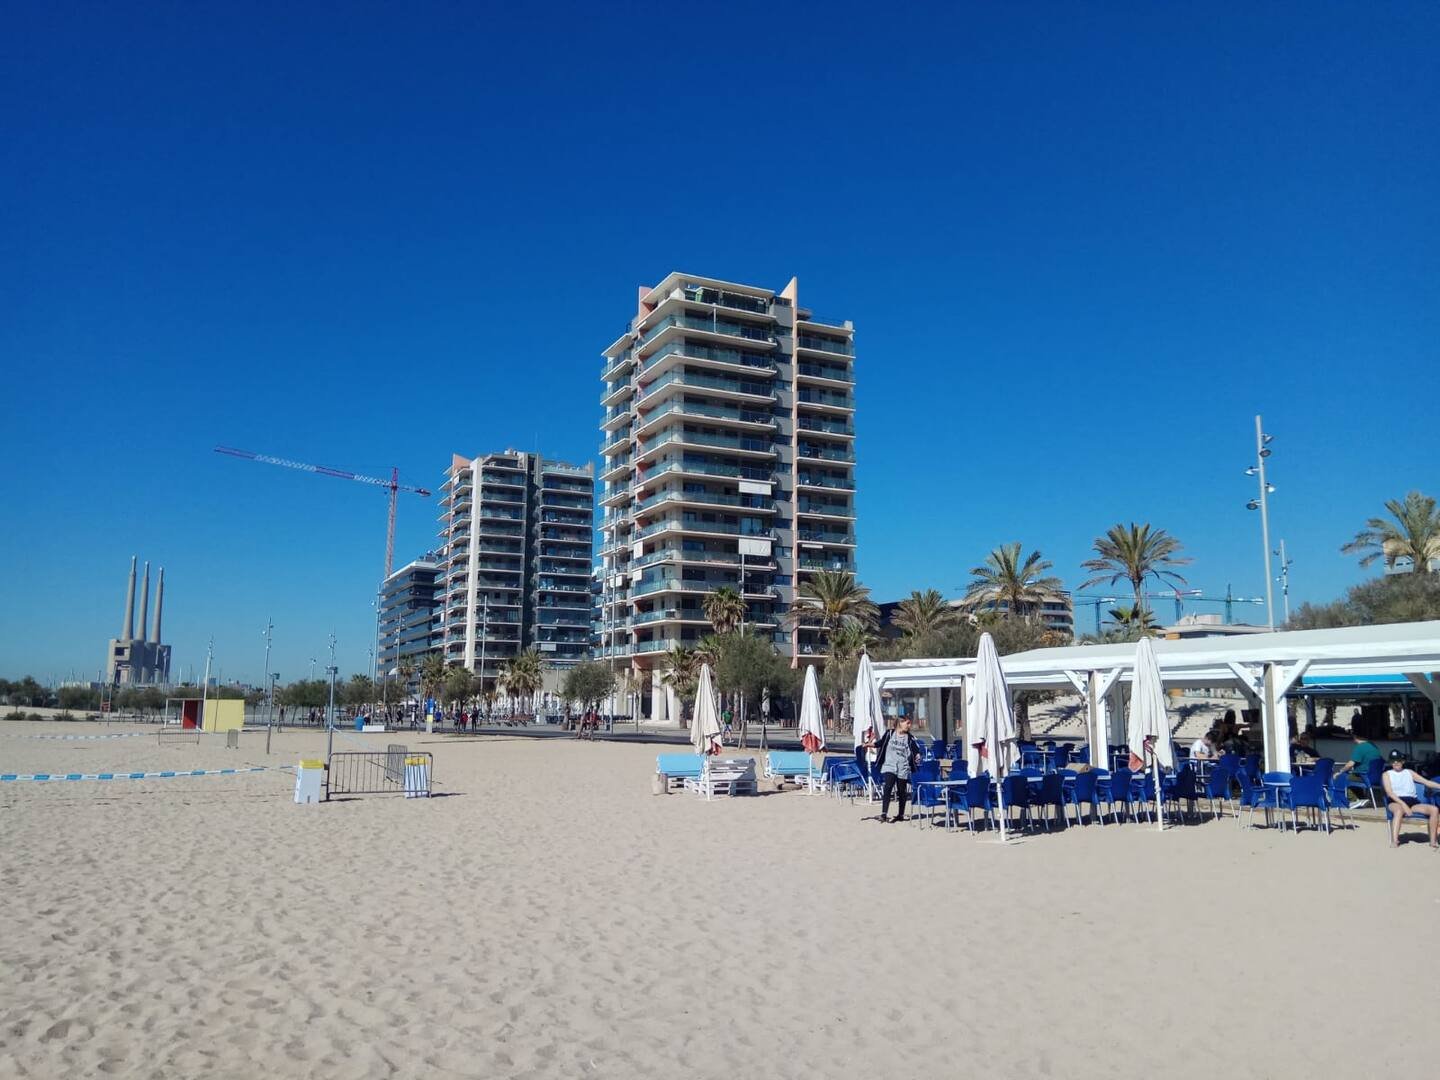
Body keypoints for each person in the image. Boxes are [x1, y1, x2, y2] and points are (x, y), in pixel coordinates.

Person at [1381, 750, 1440, 849]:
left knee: (1434, 809)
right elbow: (1389, 793)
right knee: (1399, 810)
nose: (1396, 762)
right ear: (1390, 762)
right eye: (1393, 761)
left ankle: (1433, 841)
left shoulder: (1409, 772)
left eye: (1398, 760)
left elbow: (1427, 782)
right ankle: (1395, 841)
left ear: (1402, 761)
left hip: (1412, 802)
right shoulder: (1387, 774)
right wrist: (1403, 805)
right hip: (1396, 801)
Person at [875, 716, 921, 823]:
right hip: (889, 765)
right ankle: (884, 814)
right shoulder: (889, 734)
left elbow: (915, 749)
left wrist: (918, 755)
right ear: (900, 723)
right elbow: (881, 743)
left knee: (902, 791)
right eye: (907, 723)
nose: (909, 726)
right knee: (888, 787)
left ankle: (900, 814)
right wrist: (870, 744)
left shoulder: (909, 737)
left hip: (903, 767)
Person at [1336, 731, 1384, 804]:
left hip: (1364, 776)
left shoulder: (1360, 747)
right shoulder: (1374, 747)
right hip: (1376, 777)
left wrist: (1340, 771)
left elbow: (1350, 764)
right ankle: (1362, 799)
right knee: (1353, 776)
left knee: (1343, 777)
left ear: (1355, 737)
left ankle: (1354, 801)